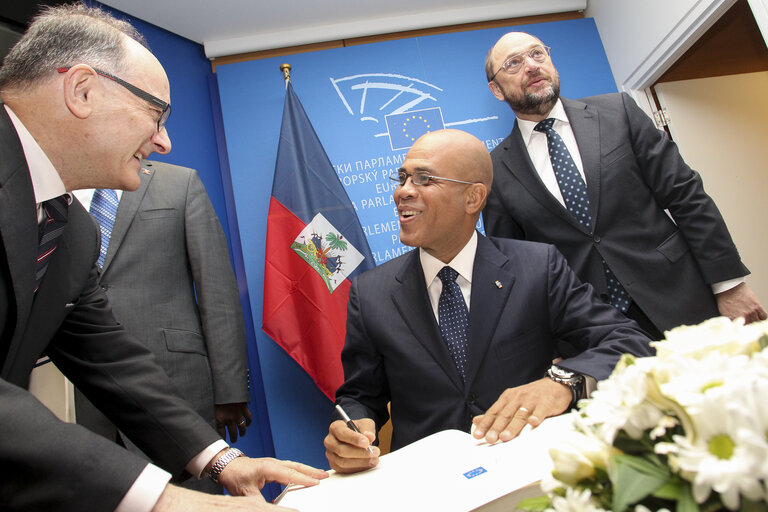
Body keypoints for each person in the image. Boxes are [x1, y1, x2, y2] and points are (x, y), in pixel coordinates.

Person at [0, 5, 326, 511]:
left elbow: (111, 364)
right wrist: (167, 502)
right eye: (156, 114)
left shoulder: (72, 231)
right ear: (82, 91)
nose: (164, 141)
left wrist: (222, 462)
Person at [324, 128, 653, 474]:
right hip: (432, 483)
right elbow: (360, 396)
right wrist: (351, 428)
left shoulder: (538, 268)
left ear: (473, 198)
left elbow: (630, 341)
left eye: (424, 179)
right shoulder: (370, 293)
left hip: (531, 472)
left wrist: (563, 383)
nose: (402, 191)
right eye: (403, 177)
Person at [482, 31, 766, 340]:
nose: (531, 66)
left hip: (683, 298)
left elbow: (686, 196)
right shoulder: (495, 170)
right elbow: (517, 269)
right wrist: (547, 346)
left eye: (538, 54)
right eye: (514, 63)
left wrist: (729, 284)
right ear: (497, 89)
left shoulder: (617, 112)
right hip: (592, 333)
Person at [72, 159, 251, 494]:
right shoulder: (57, 196)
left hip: (176, 383)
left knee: (194, 495)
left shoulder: (179, 183)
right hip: (83, 391)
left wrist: (229, 390)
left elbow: (217, 290)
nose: (161, 140)